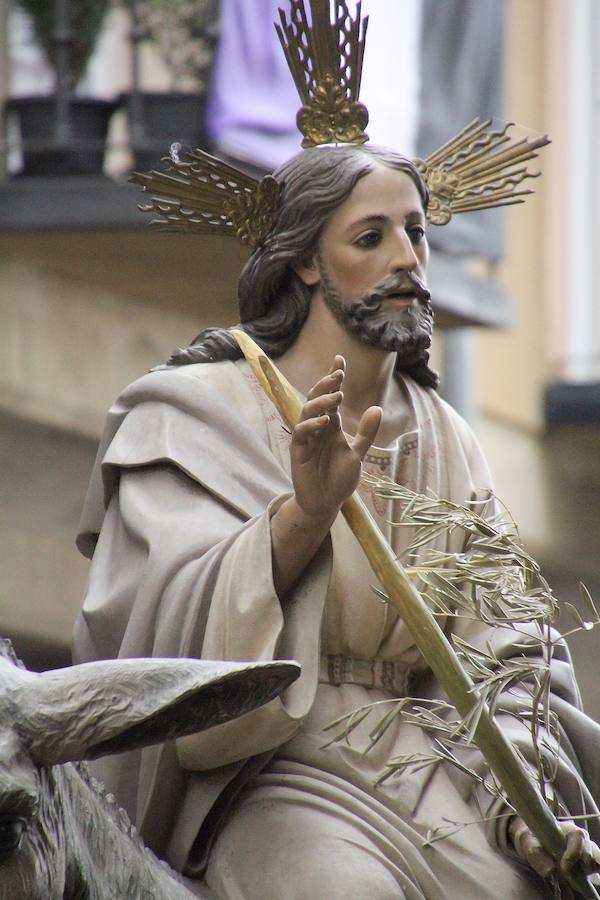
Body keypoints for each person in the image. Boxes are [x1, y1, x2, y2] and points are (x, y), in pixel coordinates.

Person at [73, 3, 600, 898]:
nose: (409, 260)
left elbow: (505, 649)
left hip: (445, 785)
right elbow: (161, 642)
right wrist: (301, 517)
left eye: (417, 232)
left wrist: (527, 803)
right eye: (372, 237)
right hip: (290, 781)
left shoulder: (447, 436)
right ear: (307, 263)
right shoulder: (194, 414)